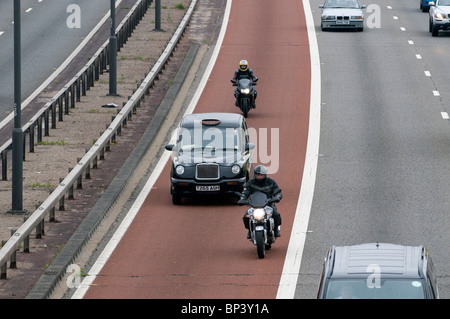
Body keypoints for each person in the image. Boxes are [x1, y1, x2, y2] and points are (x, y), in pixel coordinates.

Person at [238, 165, 282, 238]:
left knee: (276, 215)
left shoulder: (271, 182)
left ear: (265, 175)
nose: (259, 177)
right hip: (254, 205)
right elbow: (245, 192)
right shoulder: (250, 183)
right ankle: (250, 230)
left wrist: (277, 197)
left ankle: (276, 230)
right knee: (245, 217)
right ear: (255, 175)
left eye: (261, 175)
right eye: (258, 175)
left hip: (268, 204)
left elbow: (277, 192)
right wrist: (242, 199)